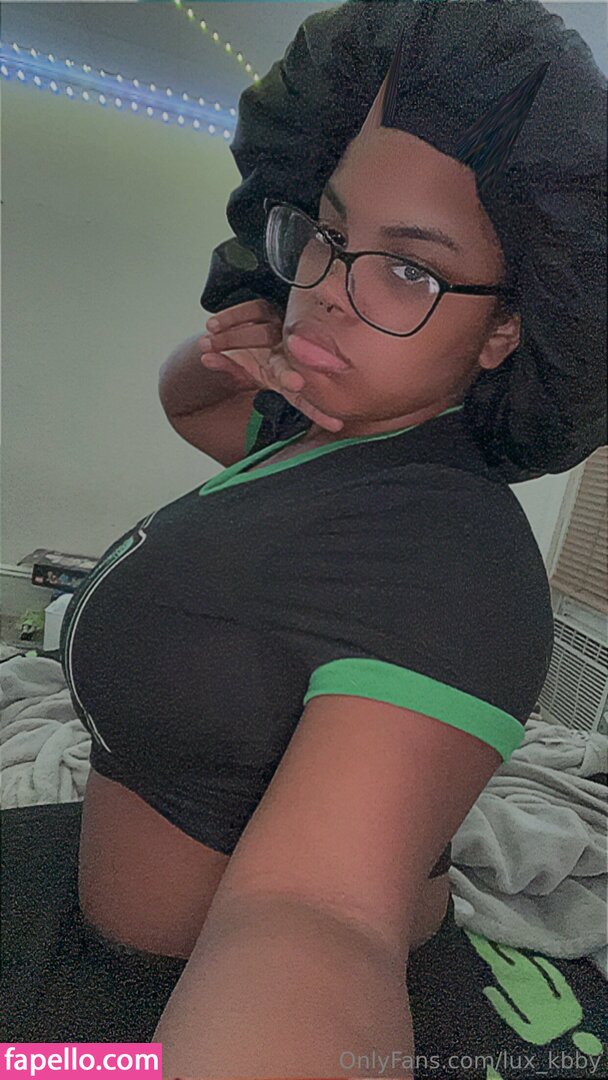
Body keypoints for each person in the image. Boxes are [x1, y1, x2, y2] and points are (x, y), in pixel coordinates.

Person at [57, 1, 605, 1075]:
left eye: (408, 269)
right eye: (329, 234)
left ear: (505, 328)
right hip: (105, 958)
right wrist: (231, 344)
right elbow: (192, 407)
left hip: (161, 1017)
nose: (328, 296)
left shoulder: (444, 547)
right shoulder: (320, 436)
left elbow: (317, 916)